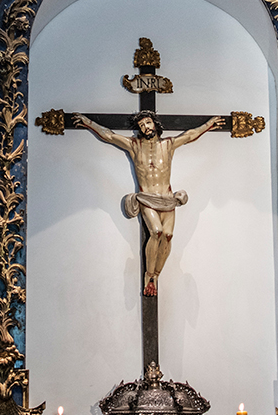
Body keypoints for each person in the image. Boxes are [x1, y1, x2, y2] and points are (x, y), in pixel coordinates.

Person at [72, 108, 224, 296]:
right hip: (147, 197)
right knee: (156, 231)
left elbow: (190, 135)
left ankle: (156, 275)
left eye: (148, 122)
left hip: (167, 198)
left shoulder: (168, 145)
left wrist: (208, 125)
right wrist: (88, 122)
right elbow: (109, 136)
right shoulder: (134, 146)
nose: (146, 127)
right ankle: (149, 274)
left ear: (155, 124)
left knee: (168, 235)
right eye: (142, 125)